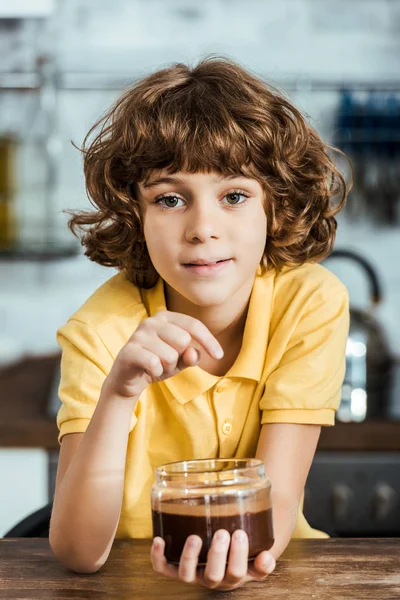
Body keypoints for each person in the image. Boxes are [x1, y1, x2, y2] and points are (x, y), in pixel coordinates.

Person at [49, 55, 351, 592]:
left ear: (274, 208)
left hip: (275, 577)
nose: (202, 229)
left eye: (234, 196)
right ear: (134, 214)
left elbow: (277, 499)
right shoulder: (100, 329)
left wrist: (242, 566)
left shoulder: (309, 301)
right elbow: (77, 551)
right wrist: (119, 394)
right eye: (170, 199)